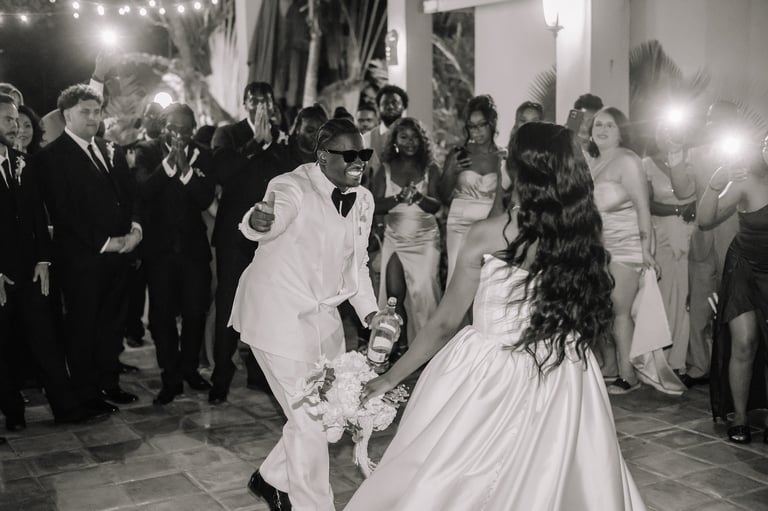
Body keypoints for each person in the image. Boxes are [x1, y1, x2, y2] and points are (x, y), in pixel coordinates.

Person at [346, 122, 646, 511]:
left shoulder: (489, 234)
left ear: (519, 171)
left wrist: (388, 378)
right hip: (566, 370)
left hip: (489, 374)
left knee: (450, 474)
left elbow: (443, 323)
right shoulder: (581, 232)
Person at [231, 118, 379, 510]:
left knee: (330, 421)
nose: (358, 161)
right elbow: (268, 217)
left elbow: (358, 265)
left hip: (323, 318)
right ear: (322, 156)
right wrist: (258, 222)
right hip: (276, 315)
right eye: (348, 155)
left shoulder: (362, 199)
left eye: (362, 154)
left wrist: (372, 316)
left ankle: (271, 480)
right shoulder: (291, 185)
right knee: (311, 421)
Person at [34, 84, 142, 414]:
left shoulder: (110, 148)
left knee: (112, 324)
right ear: (67, 114)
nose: (94, 117)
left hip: (120, 255)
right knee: (83, 327)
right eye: (86, 112)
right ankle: (86, 392)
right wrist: (107, 242)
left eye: (97, 111)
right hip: (83, 259)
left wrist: (136, 228)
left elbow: (129, 194)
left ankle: (110, 382)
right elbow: (64, 211)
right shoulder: (52, 157)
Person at [0, 94, 105, 427]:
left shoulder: (22, 162)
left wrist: (44, 259)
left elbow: (35, 217)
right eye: (6, 119)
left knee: (46, 341)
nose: (14, 125)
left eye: (15, 118)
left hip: (32, 268)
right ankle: (13, 413)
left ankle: (67, 409)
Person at [589, 107, 683, 395]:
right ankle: (612, 367)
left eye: (609, 125)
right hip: (598, 247)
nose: (602, 129)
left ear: (621, 131)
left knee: (619, 310)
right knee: (602, 310)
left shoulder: (627, 161)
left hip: (626, 245)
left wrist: (646, 249)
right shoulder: (594, 162)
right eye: (598, 124)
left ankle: (628, 377)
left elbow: (643, 206)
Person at [209, 82, 291, 404]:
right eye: (254, 100)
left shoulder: (281, 135)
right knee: (228, 302)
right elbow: (223, 172)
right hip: (234, 235)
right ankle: (221, 378)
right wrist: (256, 143)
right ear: (244, 103)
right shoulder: (227, 134)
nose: (260, 105)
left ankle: (260, 373)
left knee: (267, 304)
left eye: (265, 100)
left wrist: (274, 141)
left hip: (271, 233)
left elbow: (289, 176)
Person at [134, 103, 215, 405]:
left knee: (195, 313)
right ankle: (170, 378)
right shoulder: (147, 150)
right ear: (163, 126)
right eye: (172, 127)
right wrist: (168, 165)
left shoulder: (204, 153)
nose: (178, 133)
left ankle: (190, 369)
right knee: (161, 317)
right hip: (160, 251)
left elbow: (206, 197)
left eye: (184, 128)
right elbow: (143, 191)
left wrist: (186, 172)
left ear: (193, 129)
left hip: (193, 249)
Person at [669, 101, 741, 387]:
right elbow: (684, 190)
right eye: (709, 118)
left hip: (735, 237)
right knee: (698, 307)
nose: (711, 122)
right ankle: (699, 367)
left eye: (717, 118)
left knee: (734, 307)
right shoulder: (695, 153)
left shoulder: (746, 154)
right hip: (702, 240)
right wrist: (675, 155)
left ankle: (732, 367)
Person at [702, 134, 768, 444]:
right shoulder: (746, 180)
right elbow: (704, 219)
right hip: (744, 267)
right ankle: (740, 417)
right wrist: (715, 185)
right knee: (745, 342)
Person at [372, 117, 442, 357]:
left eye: (414, 137)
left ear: (421, 141)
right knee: (393, 294)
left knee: (423, 292)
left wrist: (420, 198)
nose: (410, 142)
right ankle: (397, 346)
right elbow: (374, 204)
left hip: (425, 239)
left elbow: (437, 205)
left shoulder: (431, 168)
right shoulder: (386, 169)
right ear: (395, 142)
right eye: (404, 137)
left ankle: (428, 349)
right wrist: (398, 199)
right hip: (395, 237)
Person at [643, 123, 697, 377]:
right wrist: (676, 209)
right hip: (661, 232)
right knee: (665, 295)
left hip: (690, 232)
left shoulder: (693, 160)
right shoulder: (646, 164)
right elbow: (644, 202)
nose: (666, 133)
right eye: (661, 129)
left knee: (686, 295)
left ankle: (680, 360)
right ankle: (659, 359)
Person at [439, 95, 504, 285]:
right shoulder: (459, 154)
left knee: (487, 283)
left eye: (481, 124)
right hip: (459, 224)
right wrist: (451, 171)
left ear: (492, 123)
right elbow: (443, 196)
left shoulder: (503, 155)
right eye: (471, 126)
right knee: (457, 281)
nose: (476, 131)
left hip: (489, 223)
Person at [363, 85, 408, 181]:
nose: (390, 106)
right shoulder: (367, 139)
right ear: (378, 107)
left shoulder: (414, 138)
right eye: (385, 103)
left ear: (403, 106)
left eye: (394, 103)